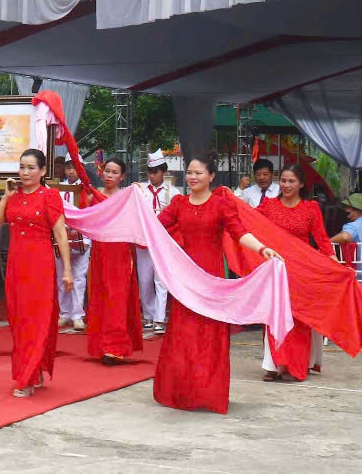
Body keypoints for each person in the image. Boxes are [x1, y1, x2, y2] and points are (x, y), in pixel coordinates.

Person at [153, 154, 281, 414]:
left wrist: (262, 248)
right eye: (190, 172)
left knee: (209, 334)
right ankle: (182, 392)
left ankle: (208, 393)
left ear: (211, 176)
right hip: (186, 278)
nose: (192, 177)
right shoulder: (178, 204)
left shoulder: (221, 205)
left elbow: (239, 232)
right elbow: (153, 227)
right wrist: (134, 204)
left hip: (211, 277)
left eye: (198, 173)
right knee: (183, 333)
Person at [0, 149, 74, 397]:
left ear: (43, 171)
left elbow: (60, 233)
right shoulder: (13, 196)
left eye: (31, 168)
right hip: (16, 265)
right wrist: (5, 197)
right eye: (22, 167)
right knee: (18, 321)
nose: (25, 172)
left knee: (36, 321)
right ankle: (33, 369)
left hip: (40, 265)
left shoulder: (50, 196)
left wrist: (67, 270)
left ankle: (27, 377)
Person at [257, 164, 333, 382]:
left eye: (291, 181)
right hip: (276, 270)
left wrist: (335, 263)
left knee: (299, 318)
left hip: (302, 271)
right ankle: (273, 365)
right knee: (274, 316)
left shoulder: (311, 208)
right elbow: (248, 221)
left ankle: (300, 363)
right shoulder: (268, 205)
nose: (286, 185)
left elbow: (322, 239)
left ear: (301, 184)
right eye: (283, 180)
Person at [84, 159, 142, 364]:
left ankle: (115, 347)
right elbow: (86, 222)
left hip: (120, 253)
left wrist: (139, 193)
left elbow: (137, 222)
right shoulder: (93, 196)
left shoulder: (127, 198)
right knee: (100, 296)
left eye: (114, 172)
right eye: (107, 171)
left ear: (122, 176)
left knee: (117, 298)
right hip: (100, 251)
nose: (109, 175)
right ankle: (101, 345)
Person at [136, 149, 181, 334]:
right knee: (144, 280)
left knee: (161, 280)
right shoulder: (139, 190)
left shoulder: (174, 193)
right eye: (149, 172)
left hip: (163, 241)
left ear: (164, 172)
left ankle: (159, 319)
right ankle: (148, 314)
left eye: (155, 172)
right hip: (144, 240)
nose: (152, 175)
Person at [57, 159, 89, 330]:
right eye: (69, 167)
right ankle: (64, 313)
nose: (71, 171)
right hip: (62, 238)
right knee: (61, 277)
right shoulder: (57, 189)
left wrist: (86, 238)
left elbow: (90, 215)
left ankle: (77, 315)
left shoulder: (87, 190)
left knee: (78, 278)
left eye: (75, 168)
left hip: (81, 238)